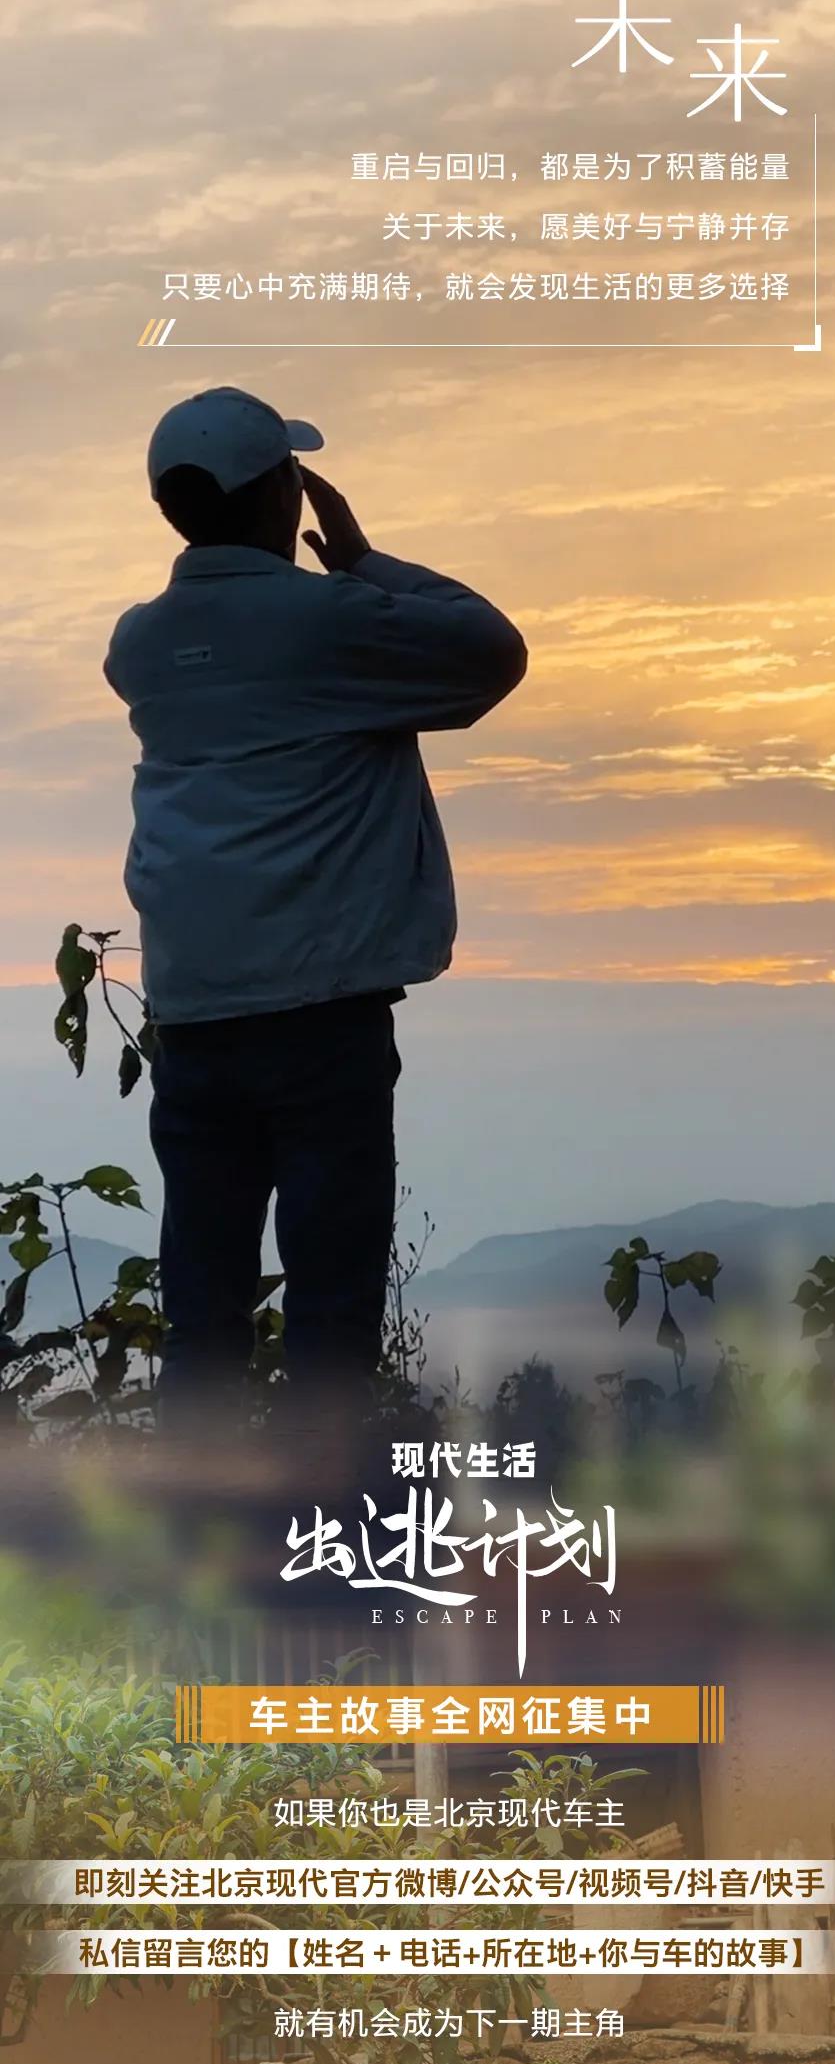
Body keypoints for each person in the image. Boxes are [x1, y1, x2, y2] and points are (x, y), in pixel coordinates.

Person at [105, 385, 527, 1434]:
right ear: (280, 494)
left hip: (194, 1014)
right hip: (320, 1014)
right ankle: (320, 1514)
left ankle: (196, 1511)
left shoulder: (140, 645)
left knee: (204, 1308)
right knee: (332, 1315)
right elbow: (492, 651)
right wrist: (365, 561)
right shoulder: (329, 623)